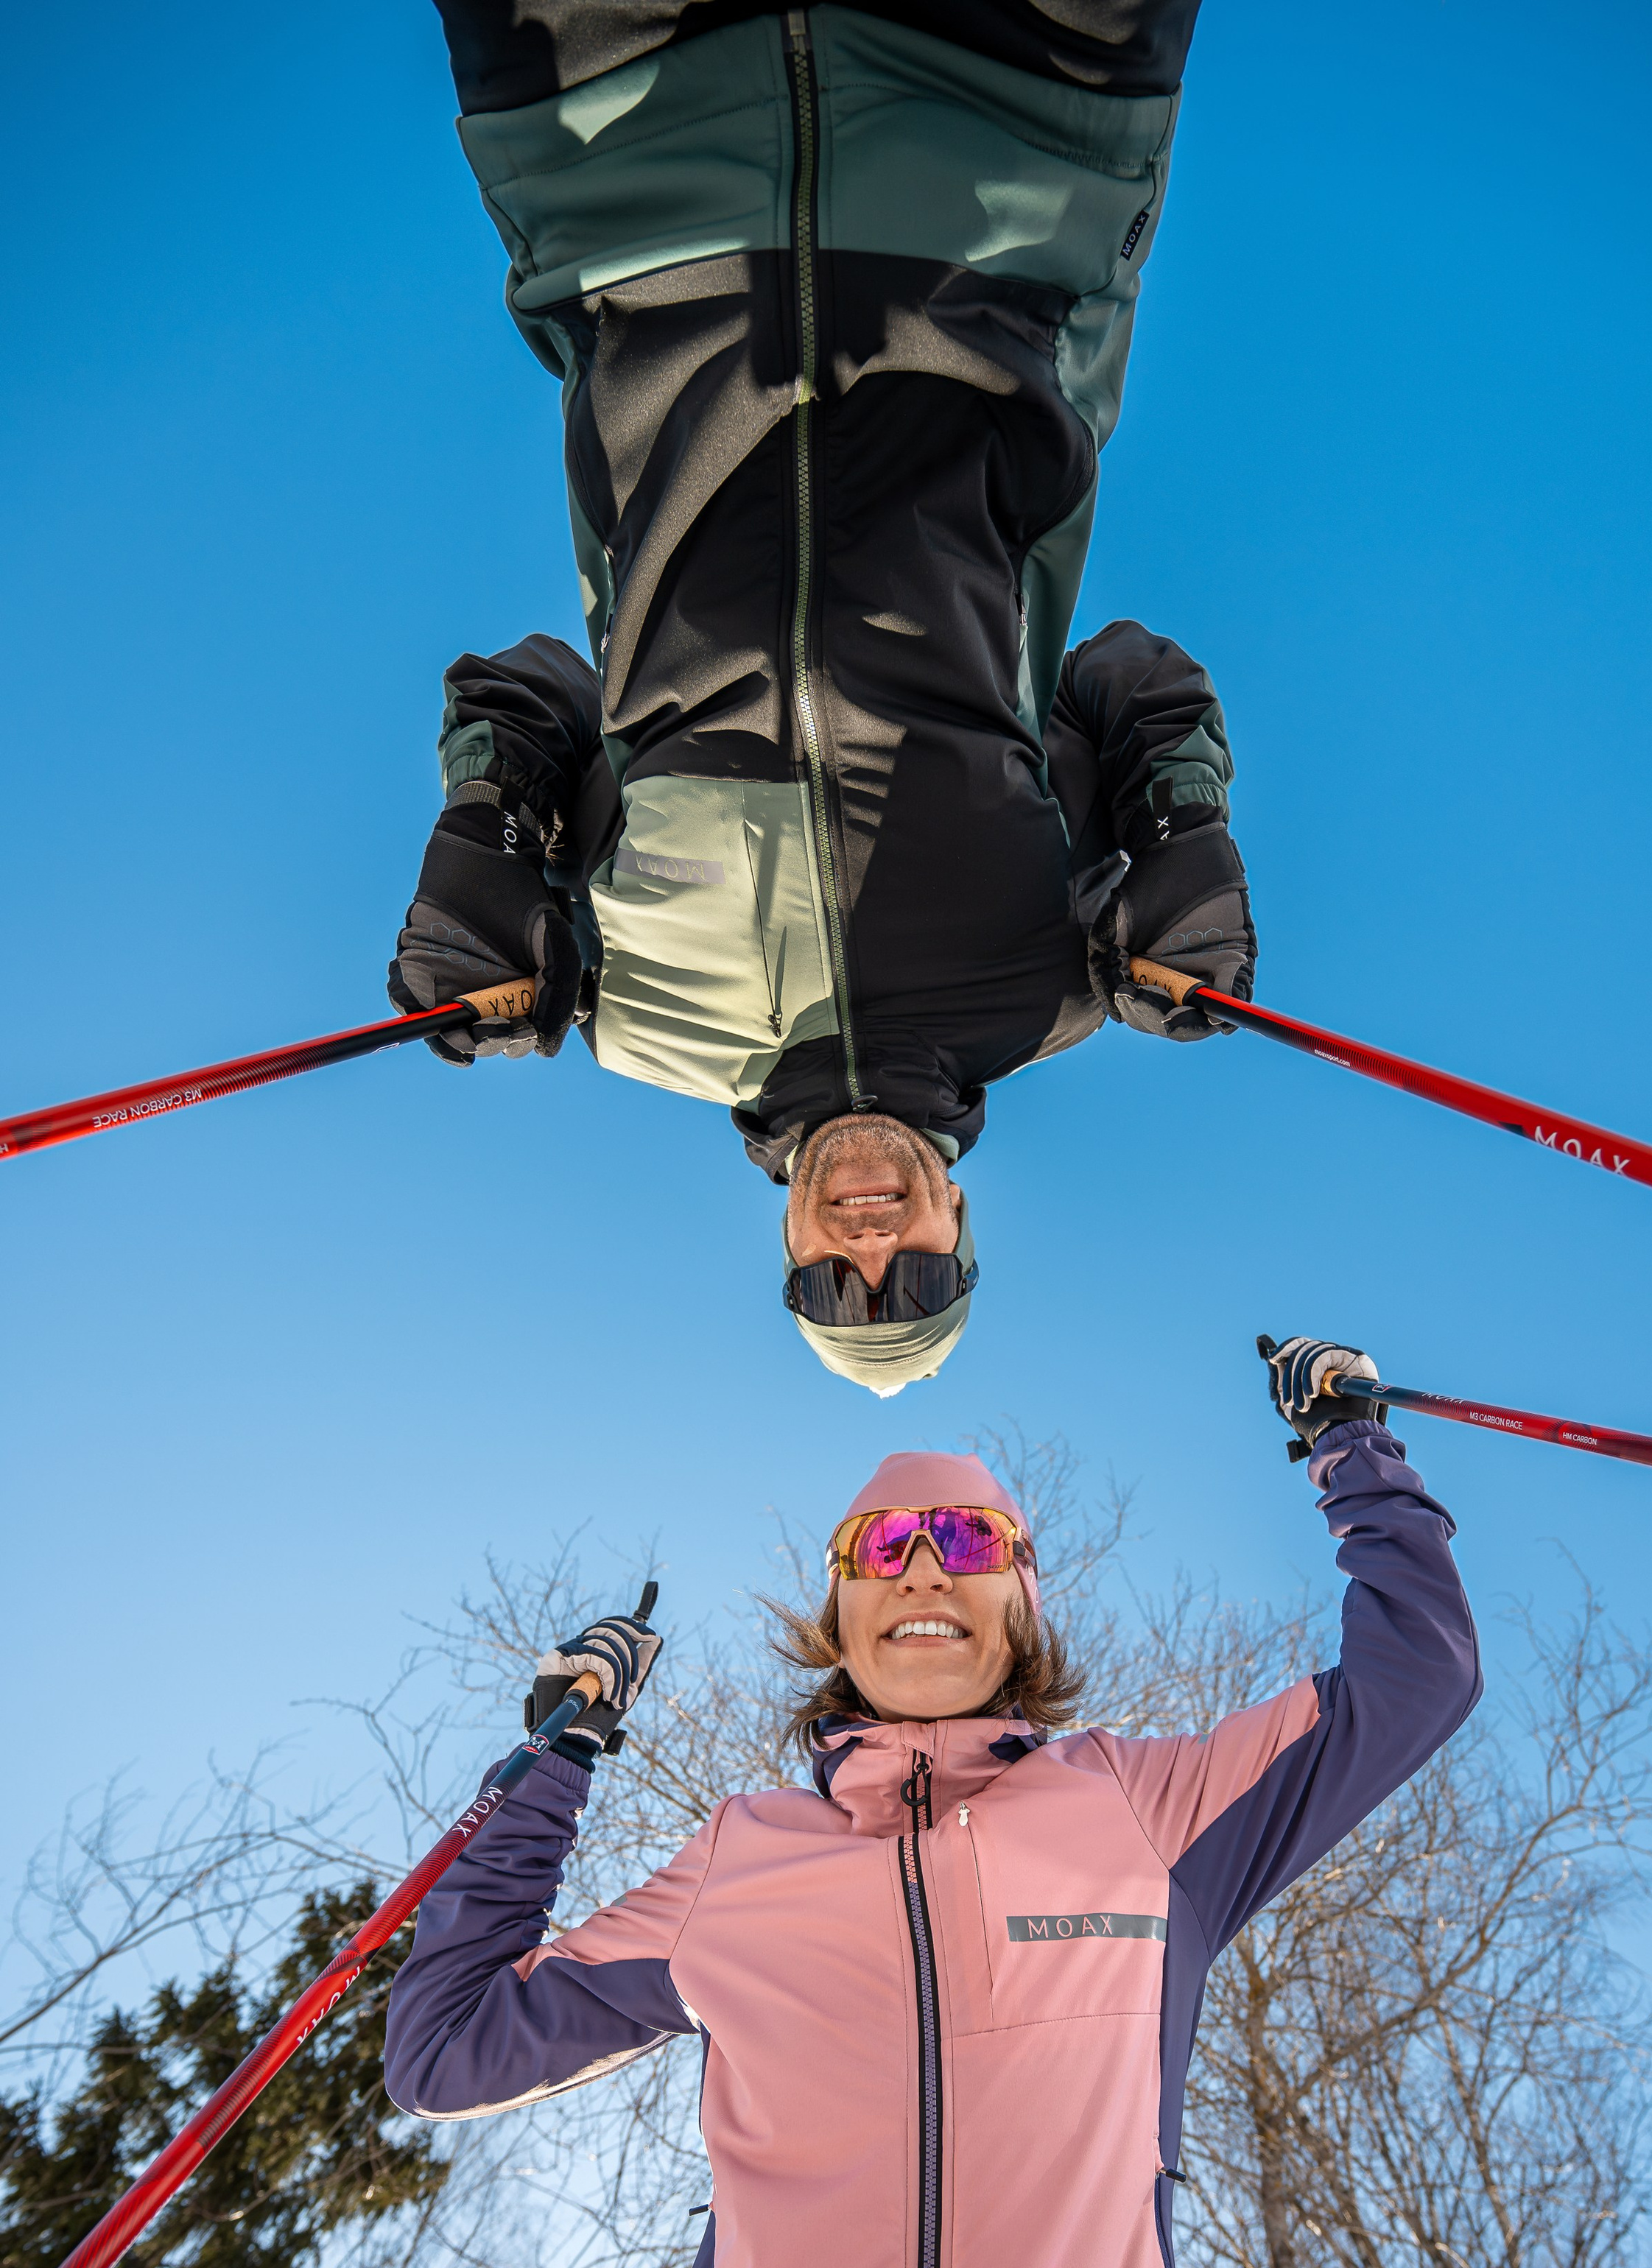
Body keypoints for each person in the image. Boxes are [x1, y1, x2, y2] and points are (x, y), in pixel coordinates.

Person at [382, 1336, 1483, 2268]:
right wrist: (562, 1755)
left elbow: (1416, 1676)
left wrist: (1348, 1443)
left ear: (1019, 1596)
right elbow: (446, 2048)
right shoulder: (740, 1858)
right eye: (879, 1546)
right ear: (837, 1610)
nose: (919, 1567)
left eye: (964, 1541)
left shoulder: (1143, 1810)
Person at [392, 1, 1255, 1393]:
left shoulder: (624, 1015)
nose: (870, 1252)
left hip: (624, 181)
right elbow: (1126, 678)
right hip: (1010, 176)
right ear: (960, 1223)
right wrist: (1181, 831)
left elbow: (540, 689)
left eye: (830, 1290)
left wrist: (487, 833)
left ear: (784, 1244)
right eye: (917, 1283)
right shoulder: (1065, 983)